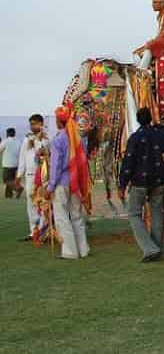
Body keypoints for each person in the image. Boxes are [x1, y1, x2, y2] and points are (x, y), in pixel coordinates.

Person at [119, 107, 164, 262]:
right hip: (160, 179)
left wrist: (122, 185)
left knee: (134, 213)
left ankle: (149, 249)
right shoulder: (161, 135)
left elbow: (128, 162)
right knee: (157, 212)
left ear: (137, 120)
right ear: (150, 118)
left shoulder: (135, 138)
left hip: (140, 181)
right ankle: (157, 248)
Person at [46, 106, 90, 259]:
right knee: (77, 216)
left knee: (62, 217)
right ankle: (83, 249)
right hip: (75, 182)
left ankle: (70, 252)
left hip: (61, 184)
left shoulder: (58, 140)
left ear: (59, 121)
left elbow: (56, 167)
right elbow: (84, 160)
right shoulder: (78, 138)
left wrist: (50, 186)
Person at [16, 115, 50, 240]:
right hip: (29, 176)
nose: (32, 126)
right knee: (30, 205)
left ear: (41, 123)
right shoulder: (26, 139)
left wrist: (39, 141)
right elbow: (22, 159)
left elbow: (44, 153)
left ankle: (42, 231)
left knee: (42, 203)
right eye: (31, 124)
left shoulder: (46, 138)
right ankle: (33, 232)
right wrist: (18, 176)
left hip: (42, 176)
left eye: (35, 123)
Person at [0, 127, 21, 198]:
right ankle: (8, 196)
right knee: (11, 180)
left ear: (7, 134)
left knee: (6, 180)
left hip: (7, 164)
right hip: (16, 165)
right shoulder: (19, 141)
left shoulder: (5, 141)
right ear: (14, 134)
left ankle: (18, 188)